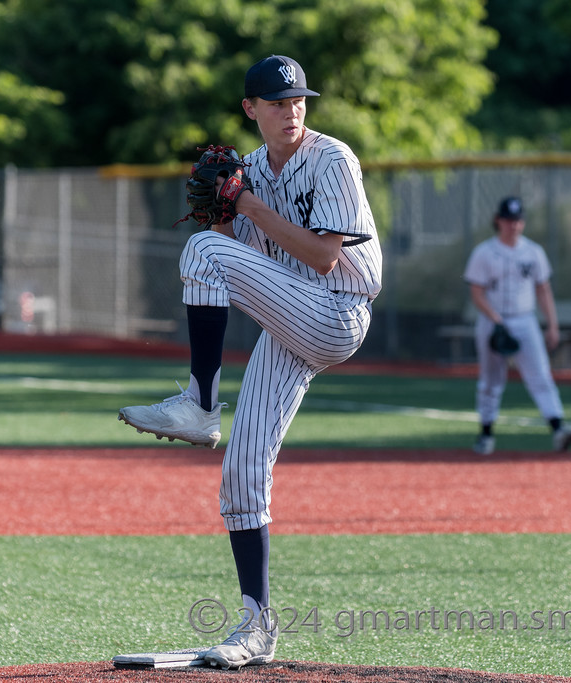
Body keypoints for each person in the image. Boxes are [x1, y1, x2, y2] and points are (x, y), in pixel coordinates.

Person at [118, 55, 382, 668]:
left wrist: (245, 209)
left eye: (298, 100)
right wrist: (227, 212)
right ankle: (257, 628)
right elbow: (243, 259)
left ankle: (201, 404)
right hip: (290, 320)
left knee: (202, 249)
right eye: (276, 101)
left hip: (338, 311)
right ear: (250, 110)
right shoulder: (252, 170)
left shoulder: (334, 159)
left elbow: (321, 258)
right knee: (241, 473)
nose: (290, 110)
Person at [463, 196, 571, 455]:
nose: (513, 225)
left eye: (517, 220)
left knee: (541, 376)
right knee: (491, 381)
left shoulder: (534, 252)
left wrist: (553, 326)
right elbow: (477, 293)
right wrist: (495, 320)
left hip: (525, 320)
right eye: (508, 220)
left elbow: (544, 290)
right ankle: (486, 434)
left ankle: (559, 430)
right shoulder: (484, 253)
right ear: (498, 221)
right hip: (493, 321)